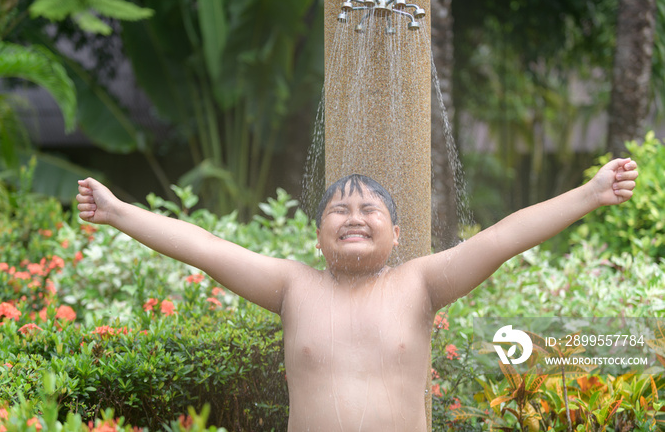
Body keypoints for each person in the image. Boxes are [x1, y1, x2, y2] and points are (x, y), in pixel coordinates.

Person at [76, 157, 638, 432]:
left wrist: (589, 194)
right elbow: (205, 247)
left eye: (371, 210)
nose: (354, 217)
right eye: (338, 211)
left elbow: (500, 239)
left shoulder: (420, 283)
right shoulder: (292, 285)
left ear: (397, 235)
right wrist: (119, 213)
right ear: (318, 234)